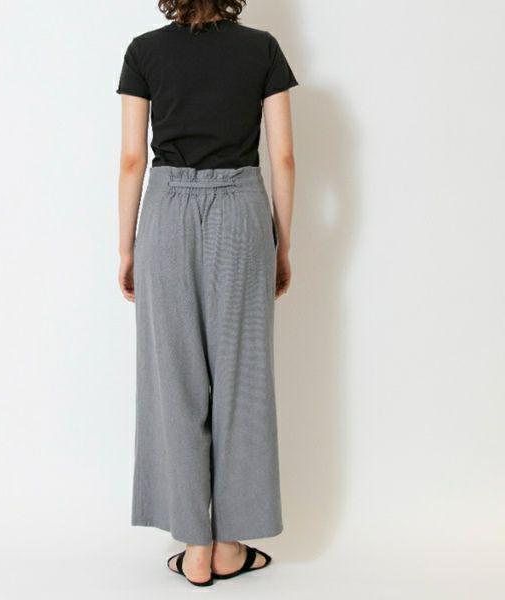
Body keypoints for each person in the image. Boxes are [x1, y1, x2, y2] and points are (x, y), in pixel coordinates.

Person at [116, 0, 297, 587]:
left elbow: (132, 159)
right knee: (242, 378)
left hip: (166, 214)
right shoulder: (262, 49)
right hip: (241, 212)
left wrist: (127, 248)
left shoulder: (145, 51)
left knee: (175, 378)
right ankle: (230, 545)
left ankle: (194, 547)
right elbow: (283, 155)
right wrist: (282, 243)